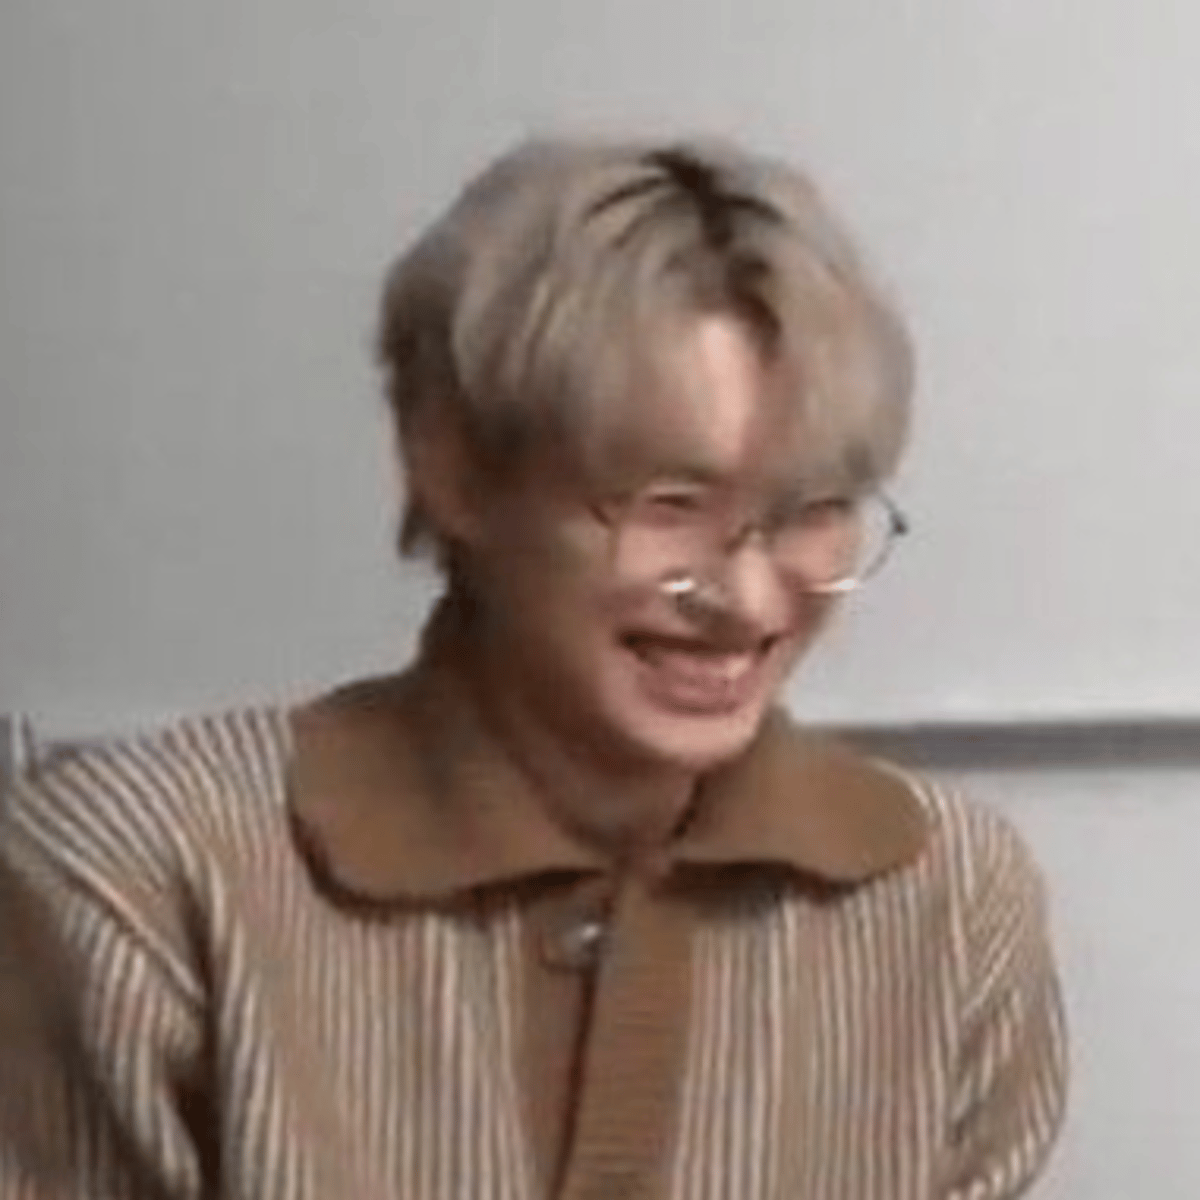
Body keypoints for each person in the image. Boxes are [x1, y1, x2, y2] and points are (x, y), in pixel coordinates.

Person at [0, 136, 1067, 1199]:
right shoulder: (135, 876)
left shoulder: (952, 899)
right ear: (454, 470)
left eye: (811, 510)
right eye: (670, 504)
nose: (746, 599)